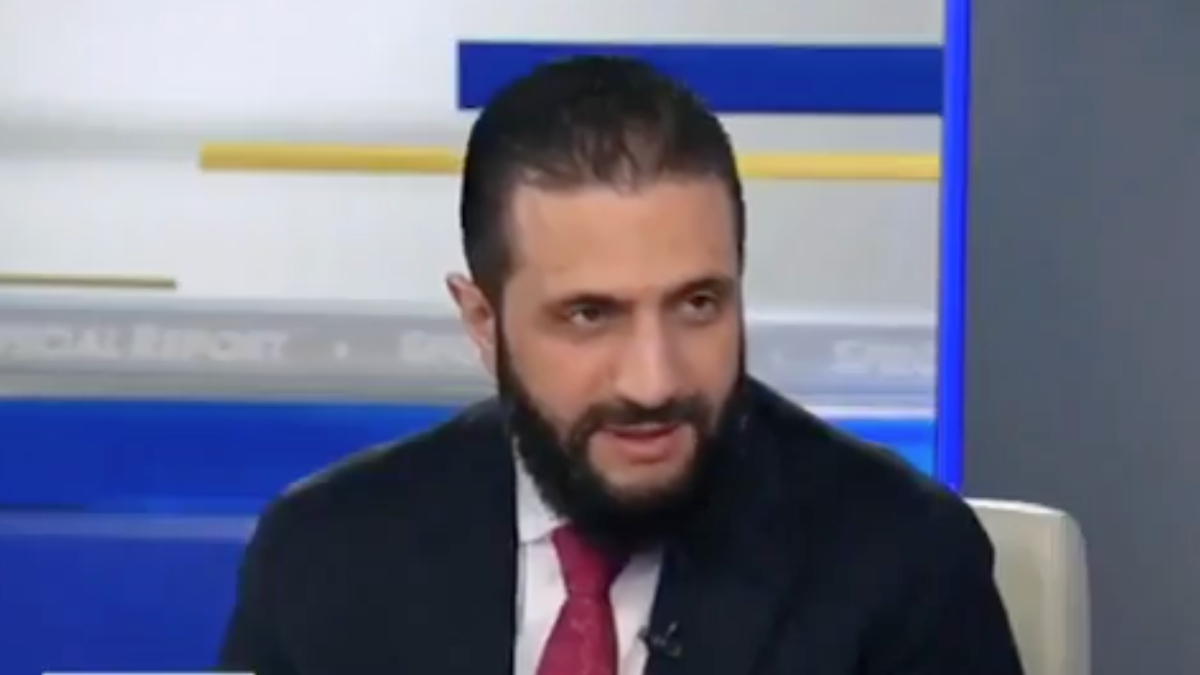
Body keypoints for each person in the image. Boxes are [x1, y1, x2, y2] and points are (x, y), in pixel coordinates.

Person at [218, 55, 1024, 675]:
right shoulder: (325, 557)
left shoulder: (900, 563)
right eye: (589, 315)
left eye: (697, 304)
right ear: (483, 322)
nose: (653, 380)